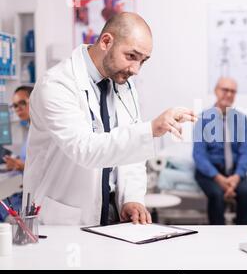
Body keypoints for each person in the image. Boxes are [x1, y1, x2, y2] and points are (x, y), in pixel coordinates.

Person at [23, 12, 196, 226]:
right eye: (131, 56)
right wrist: (150, 129)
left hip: (112, 213)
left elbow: (131, 152)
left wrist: (131, 199)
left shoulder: (123, 83)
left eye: (143, 61)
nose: (136, 70)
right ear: (106, 41)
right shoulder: (57, 84)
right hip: (63, 217)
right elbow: (84, 149)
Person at [193, 77, 247, 225]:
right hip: (210, 173)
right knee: (216, 194)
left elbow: (246, 152)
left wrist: (237, 177)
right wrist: (219, 178)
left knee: (246, 193)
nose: (229, 94)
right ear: (216, 91)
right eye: (225, 90)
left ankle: (243, 234)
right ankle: (217, 237)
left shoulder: (241, 119)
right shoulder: (203, 118)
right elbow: (199, 155)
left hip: (234, 173)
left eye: (233, 91)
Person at [0, 86, 33, 222]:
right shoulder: (30, 130)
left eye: (22, 103)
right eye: (15, 105)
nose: (18, 108)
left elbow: (45, 170)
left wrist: (20, 166)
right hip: (25, 192)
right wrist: (16, 164)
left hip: (33, 197)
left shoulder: (41, 133)